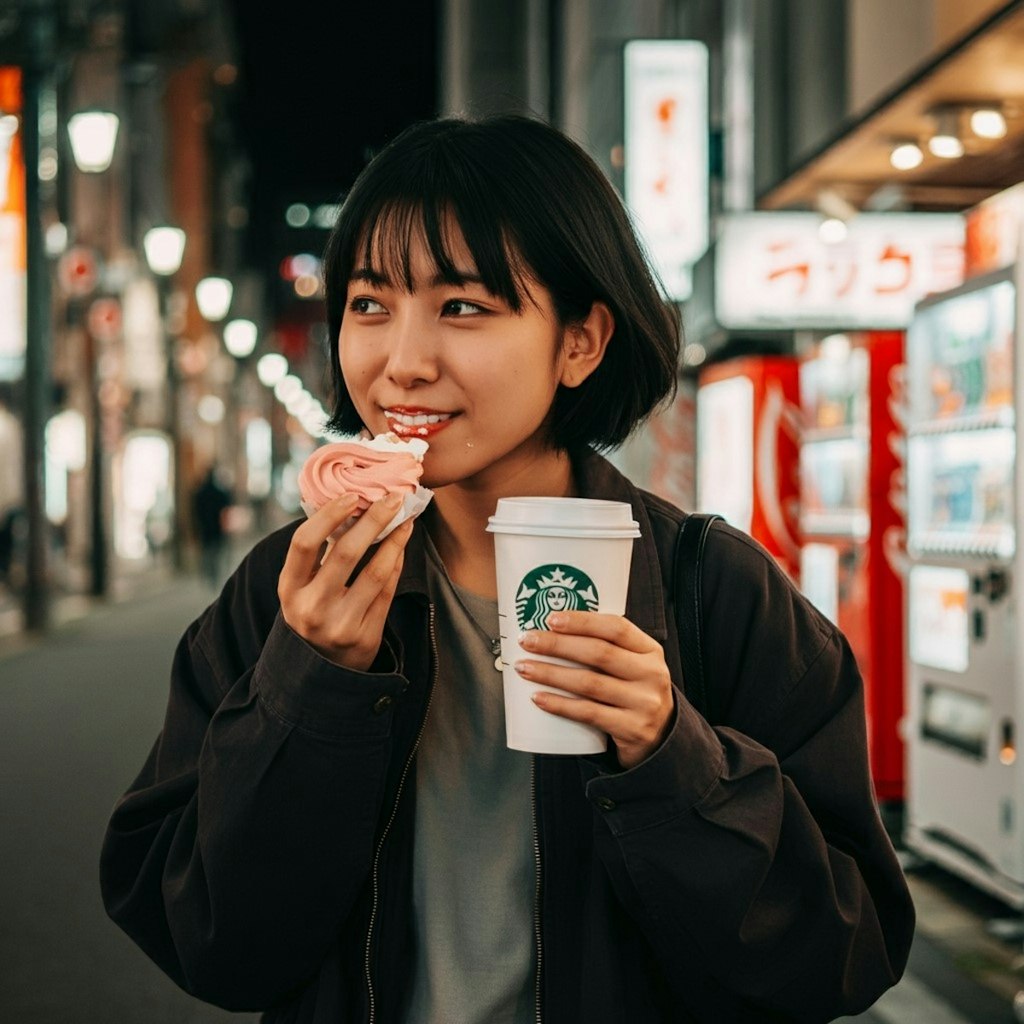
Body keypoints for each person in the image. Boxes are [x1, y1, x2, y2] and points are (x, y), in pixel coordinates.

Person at [100, 115, 913, 1023]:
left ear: (580, 341)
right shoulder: (284, 593)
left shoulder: (714, 592)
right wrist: (308, 685)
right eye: (370, 304)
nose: (401, 362)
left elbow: (842, 953)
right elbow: (209, 942)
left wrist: (671, 756)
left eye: (463, 307)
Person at [192, 466, 233, 588]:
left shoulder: (200, 493)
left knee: (207, 552)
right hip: (216, 528)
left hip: (205, 528)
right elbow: (225, 508)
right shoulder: (219, 493)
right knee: (215, 552)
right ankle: (213, 575)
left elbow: (195, 511)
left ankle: (208, 574)